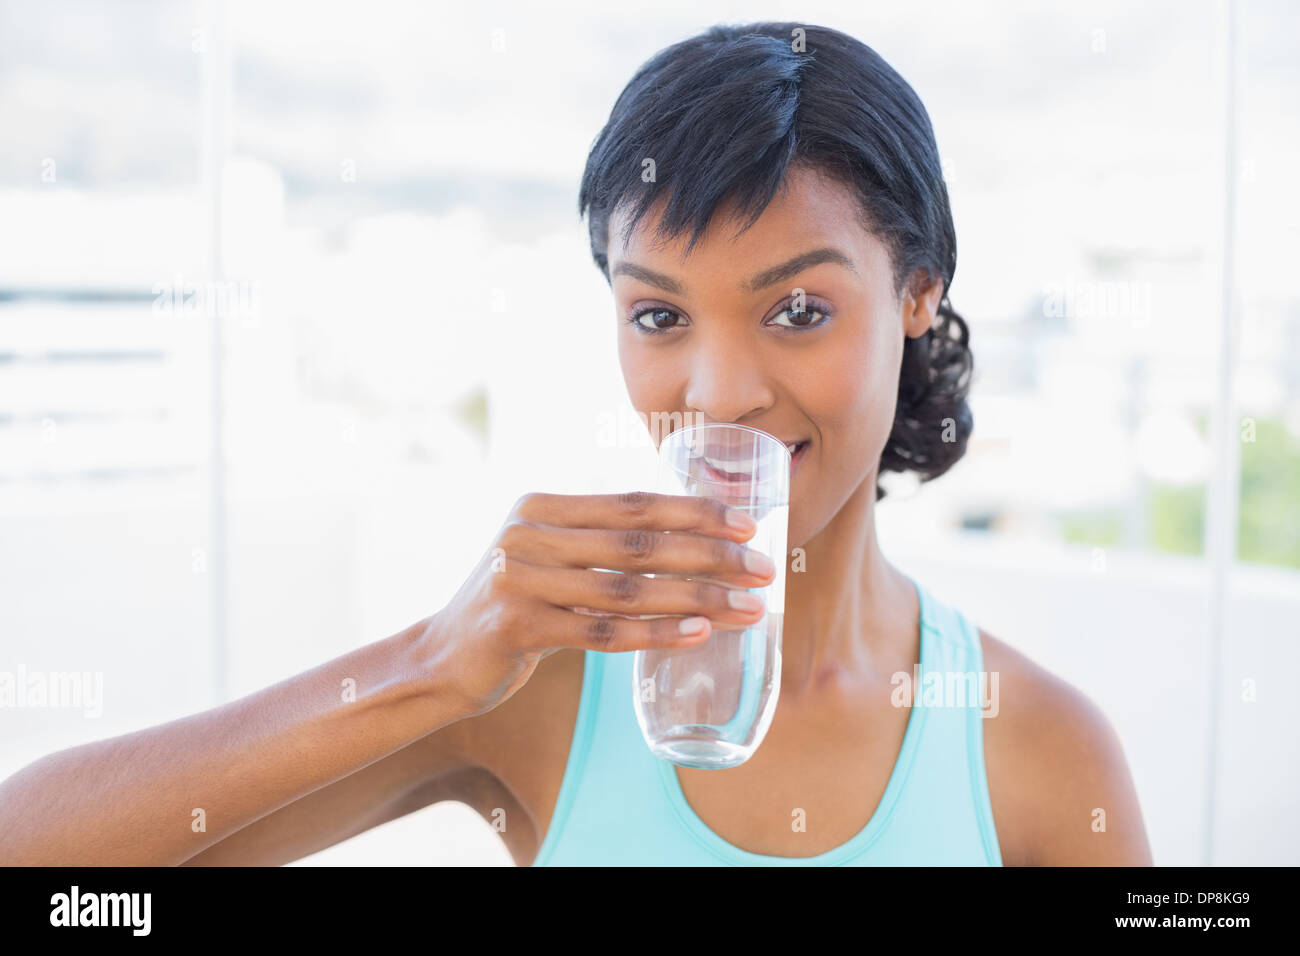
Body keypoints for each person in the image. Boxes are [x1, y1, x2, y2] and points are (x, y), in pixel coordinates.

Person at [0, 21, 1152, 866]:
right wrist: (426, 665)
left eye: (798, 309)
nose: (717, 391)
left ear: (916, 293)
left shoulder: (1037, 751)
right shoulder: (540, 684)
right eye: (659, 315)